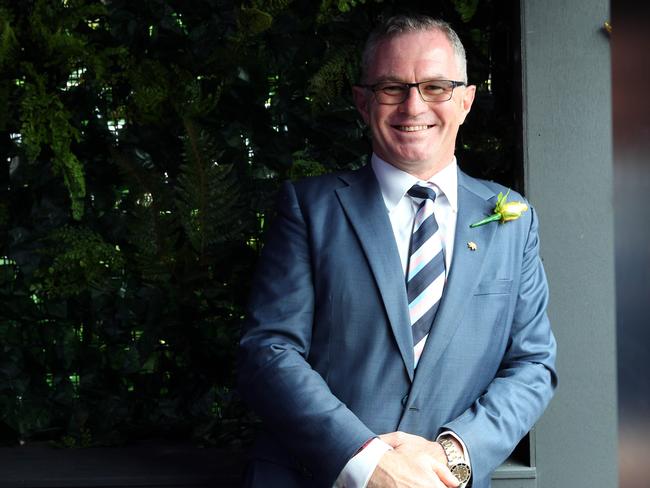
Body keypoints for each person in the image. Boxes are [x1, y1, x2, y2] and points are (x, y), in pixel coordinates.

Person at [238, 14, 557, 488]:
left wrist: (453, 453)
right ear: (363, 102)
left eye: (435, 87)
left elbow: (533, 363)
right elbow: (269, 349)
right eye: (392, 87)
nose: (413, 106)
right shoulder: (309, 208)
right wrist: (365, 460)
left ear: (466, 100)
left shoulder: (513, 218)